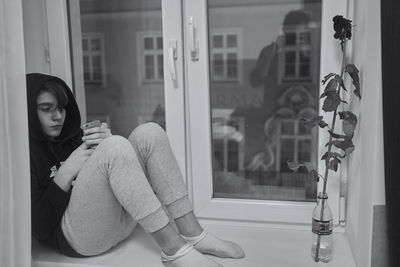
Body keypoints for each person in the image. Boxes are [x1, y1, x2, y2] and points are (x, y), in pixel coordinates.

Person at [27, 73, 245, 267]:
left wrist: (107, 144)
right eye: (46, 109)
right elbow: (40, 228)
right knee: (115, 147)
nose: (57, 116)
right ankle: (174, 250)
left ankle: (192, 233)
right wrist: (66, 173)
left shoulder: (72, 136)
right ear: (27, 111)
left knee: (149, 133)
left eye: (61, 108)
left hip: (118, 223)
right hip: (78, 239)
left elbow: (101, 182)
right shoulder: (23, 156)